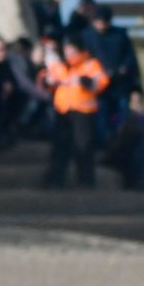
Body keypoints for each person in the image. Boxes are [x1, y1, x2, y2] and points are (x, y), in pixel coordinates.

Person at [39, 33, 107, 188]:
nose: (69, 54)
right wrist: (47, 81)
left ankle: (86, 181)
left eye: (72, 50)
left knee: (83, 146)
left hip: (83, 111)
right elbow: (45, 78)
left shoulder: (90, 64)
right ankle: (55, 180)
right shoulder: (61, 64)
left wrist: (86, 81)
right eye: (67, 50)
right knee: (60, 146)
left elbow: (101, 82)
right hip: (63, 111)